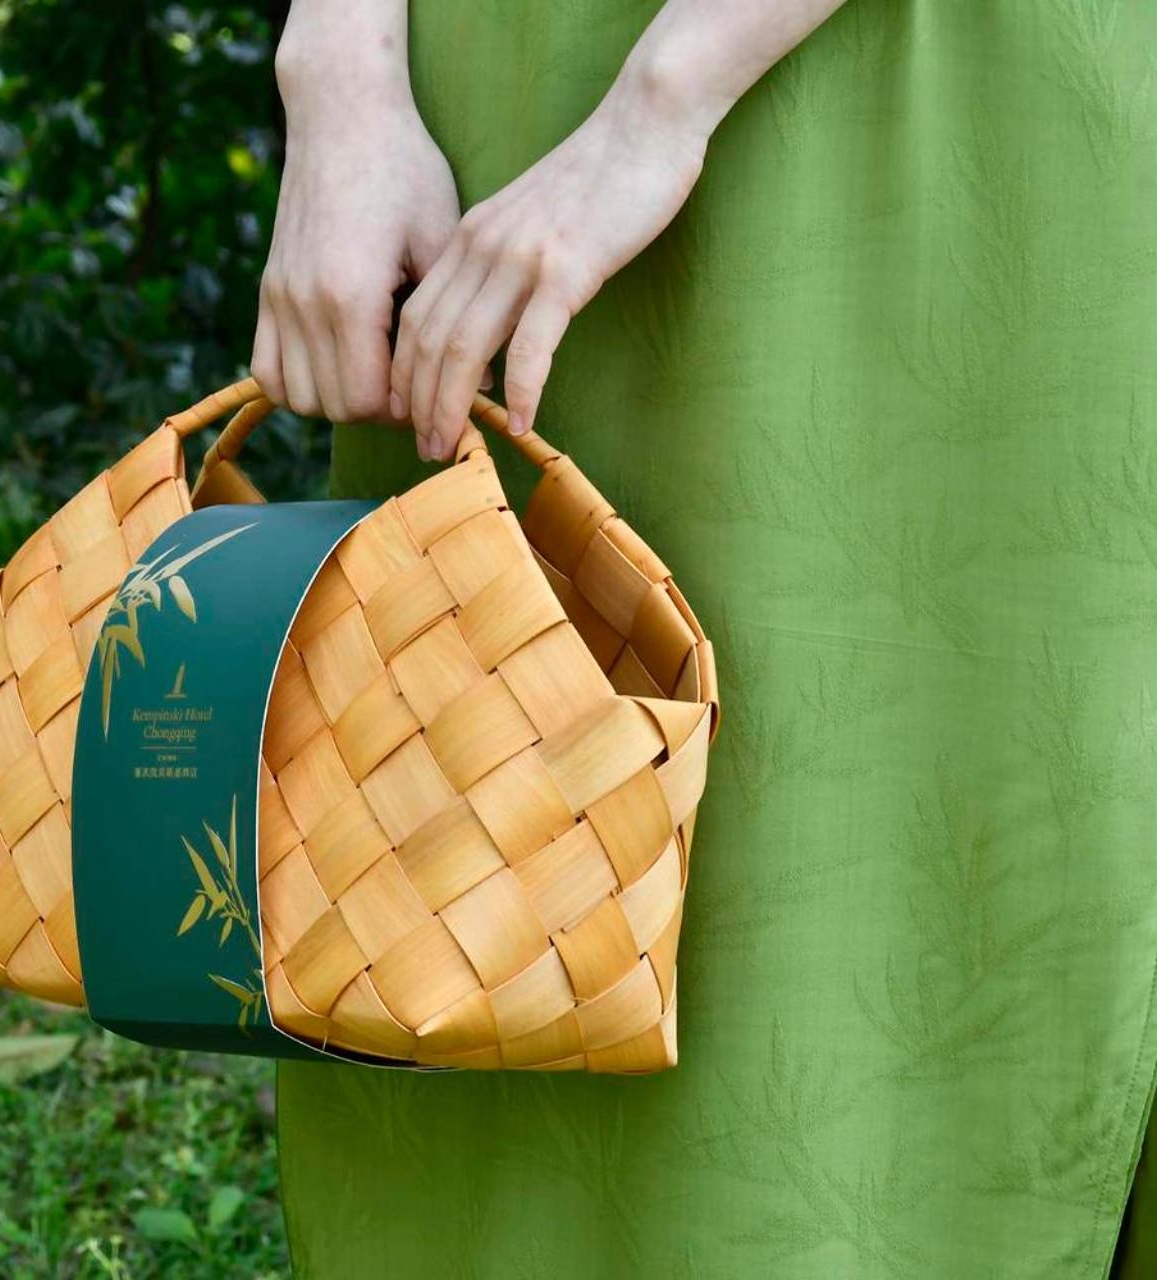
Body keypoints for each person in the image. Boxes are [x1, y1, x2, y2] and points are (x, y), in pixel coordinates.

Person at [256, 1, 1157, 1275]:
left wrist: (659, 105)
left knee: (896, 860)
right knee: (478, 816)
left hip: (945, 113)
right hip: (504, 90)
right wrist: (340, 78)